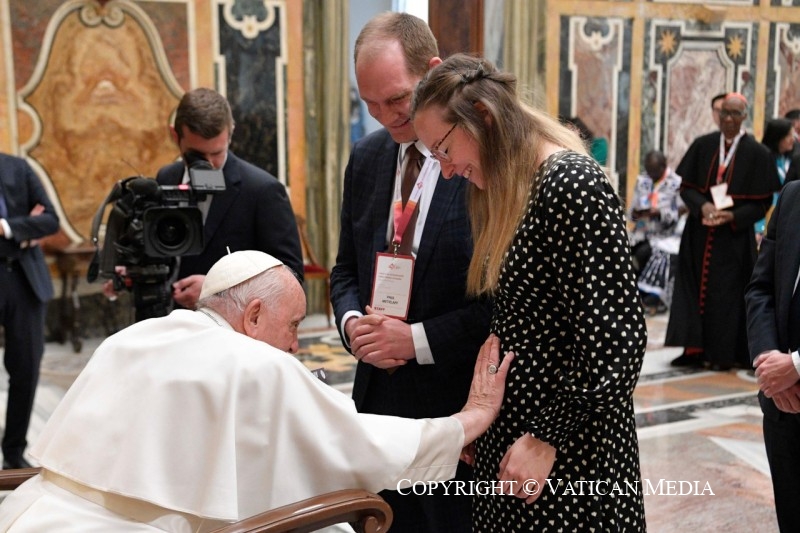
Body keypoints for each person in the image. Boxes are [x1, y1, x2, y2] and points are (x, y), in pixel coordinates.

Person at [0, 250, 513, 531]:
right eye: (292, 325)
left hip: (32, 515)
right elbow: (358, 444)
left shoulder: (136, 336)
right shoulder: (254, 363)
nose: (294, 345)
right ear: (253, 315)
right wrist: (467, 420)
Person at [411, 53, 647, 532]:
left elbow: (617, 344)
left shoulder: (570, 184)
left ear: (482, 116)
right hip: (517, 441)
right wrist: (486, 419)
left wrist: (546, 436)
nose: (447, 170)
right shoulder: (511, 189)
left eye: (444, 149)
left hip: (570, 456)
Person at [330, 13, 491, 532]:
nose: (384, 116)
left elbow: (500, 302)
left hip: (454, 408)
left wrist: (415, 340)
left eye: (396, 98)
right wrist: (354, 325)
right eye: (370, 104)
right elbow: (344, 270)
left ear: (433, 71)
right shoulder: (367, 157)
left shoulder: (477, 161)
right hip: (379, 402)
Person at [156, 87, 304, 310]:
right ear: (176, 137)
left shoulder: (263, 190)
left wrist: (216, 290)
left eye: (217, 153)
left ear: (230, 132)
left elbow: (291, 276)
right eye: (197, 155)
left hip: (231, 326)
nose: (209, 164)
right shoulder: (166, 177)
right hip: (167, 321)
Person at [666, 93, 781, 369]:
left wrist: (732, 216)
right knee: (692, 288)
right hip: (699, 233)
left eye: (734, 114)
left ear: (744, 117)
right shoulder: (703, 144)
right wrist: (703, 206)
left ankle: (723, 353)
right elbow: (686, 188)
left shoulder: (758, 153)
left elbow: (762, 201)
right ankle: (693, 349)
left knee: (727, 296)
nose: (728, 119)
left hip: (733, 238)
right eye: (724, 113)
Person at [745, 180, 800, 532]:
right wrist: (769, 359)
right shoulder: (793, 196)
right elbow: (761, 288)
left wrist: (795, 366)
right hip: (782, 408)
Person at [0, 154, 59, 470]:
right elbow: (35, 224)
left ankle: (13, 454)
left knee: (26, 368)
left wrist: (7, 227)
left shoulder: (17, 167)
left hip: (24, 281)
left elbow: (50, 220)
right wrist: (24, 232)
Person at [629, 149, 685, 314]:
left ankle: (651, 299)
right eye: (648, 171)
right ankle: (632, 296)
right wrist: (636, 213)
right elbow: (631, 211)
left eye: (653, 171)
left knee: (644, 253)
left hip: (666, 234)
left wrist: (660, 213)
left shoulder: (676, 183)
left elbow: (682, 210)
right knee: (624, 251)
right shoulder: (642, 181)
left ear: (663, 166)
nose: (650, 175)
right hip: (642, 231)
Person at [755, 118, 798, 240]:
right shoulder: (763, 160)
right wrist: (759, 228)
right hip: (767, 215)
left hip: (786, 214)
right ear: (778, 137)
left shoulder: (791, 159)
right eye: (788, 136)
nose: (793, 139)